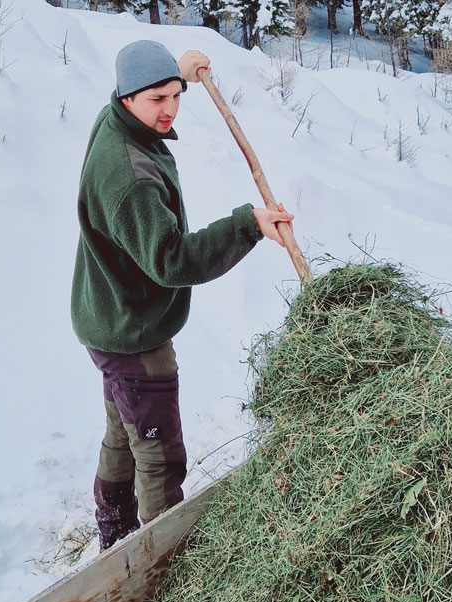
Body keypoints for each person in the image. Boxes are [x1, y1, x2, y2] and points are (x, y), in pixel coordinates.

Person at [71, 40, 294, 551]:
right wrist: (249, 225)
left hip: (107, 316)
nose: (170, 109)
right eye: (157, 99)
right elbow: (173, 261)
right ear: (128, 98)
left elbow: (153, 84)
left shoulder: (114, 119)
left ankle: (115, 536)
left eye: (176, 95)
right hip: (134, 332)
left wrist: (177, 73)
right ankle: (163, 568)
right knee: (159, 455)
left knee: (124, 434)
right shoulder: (130, 177)